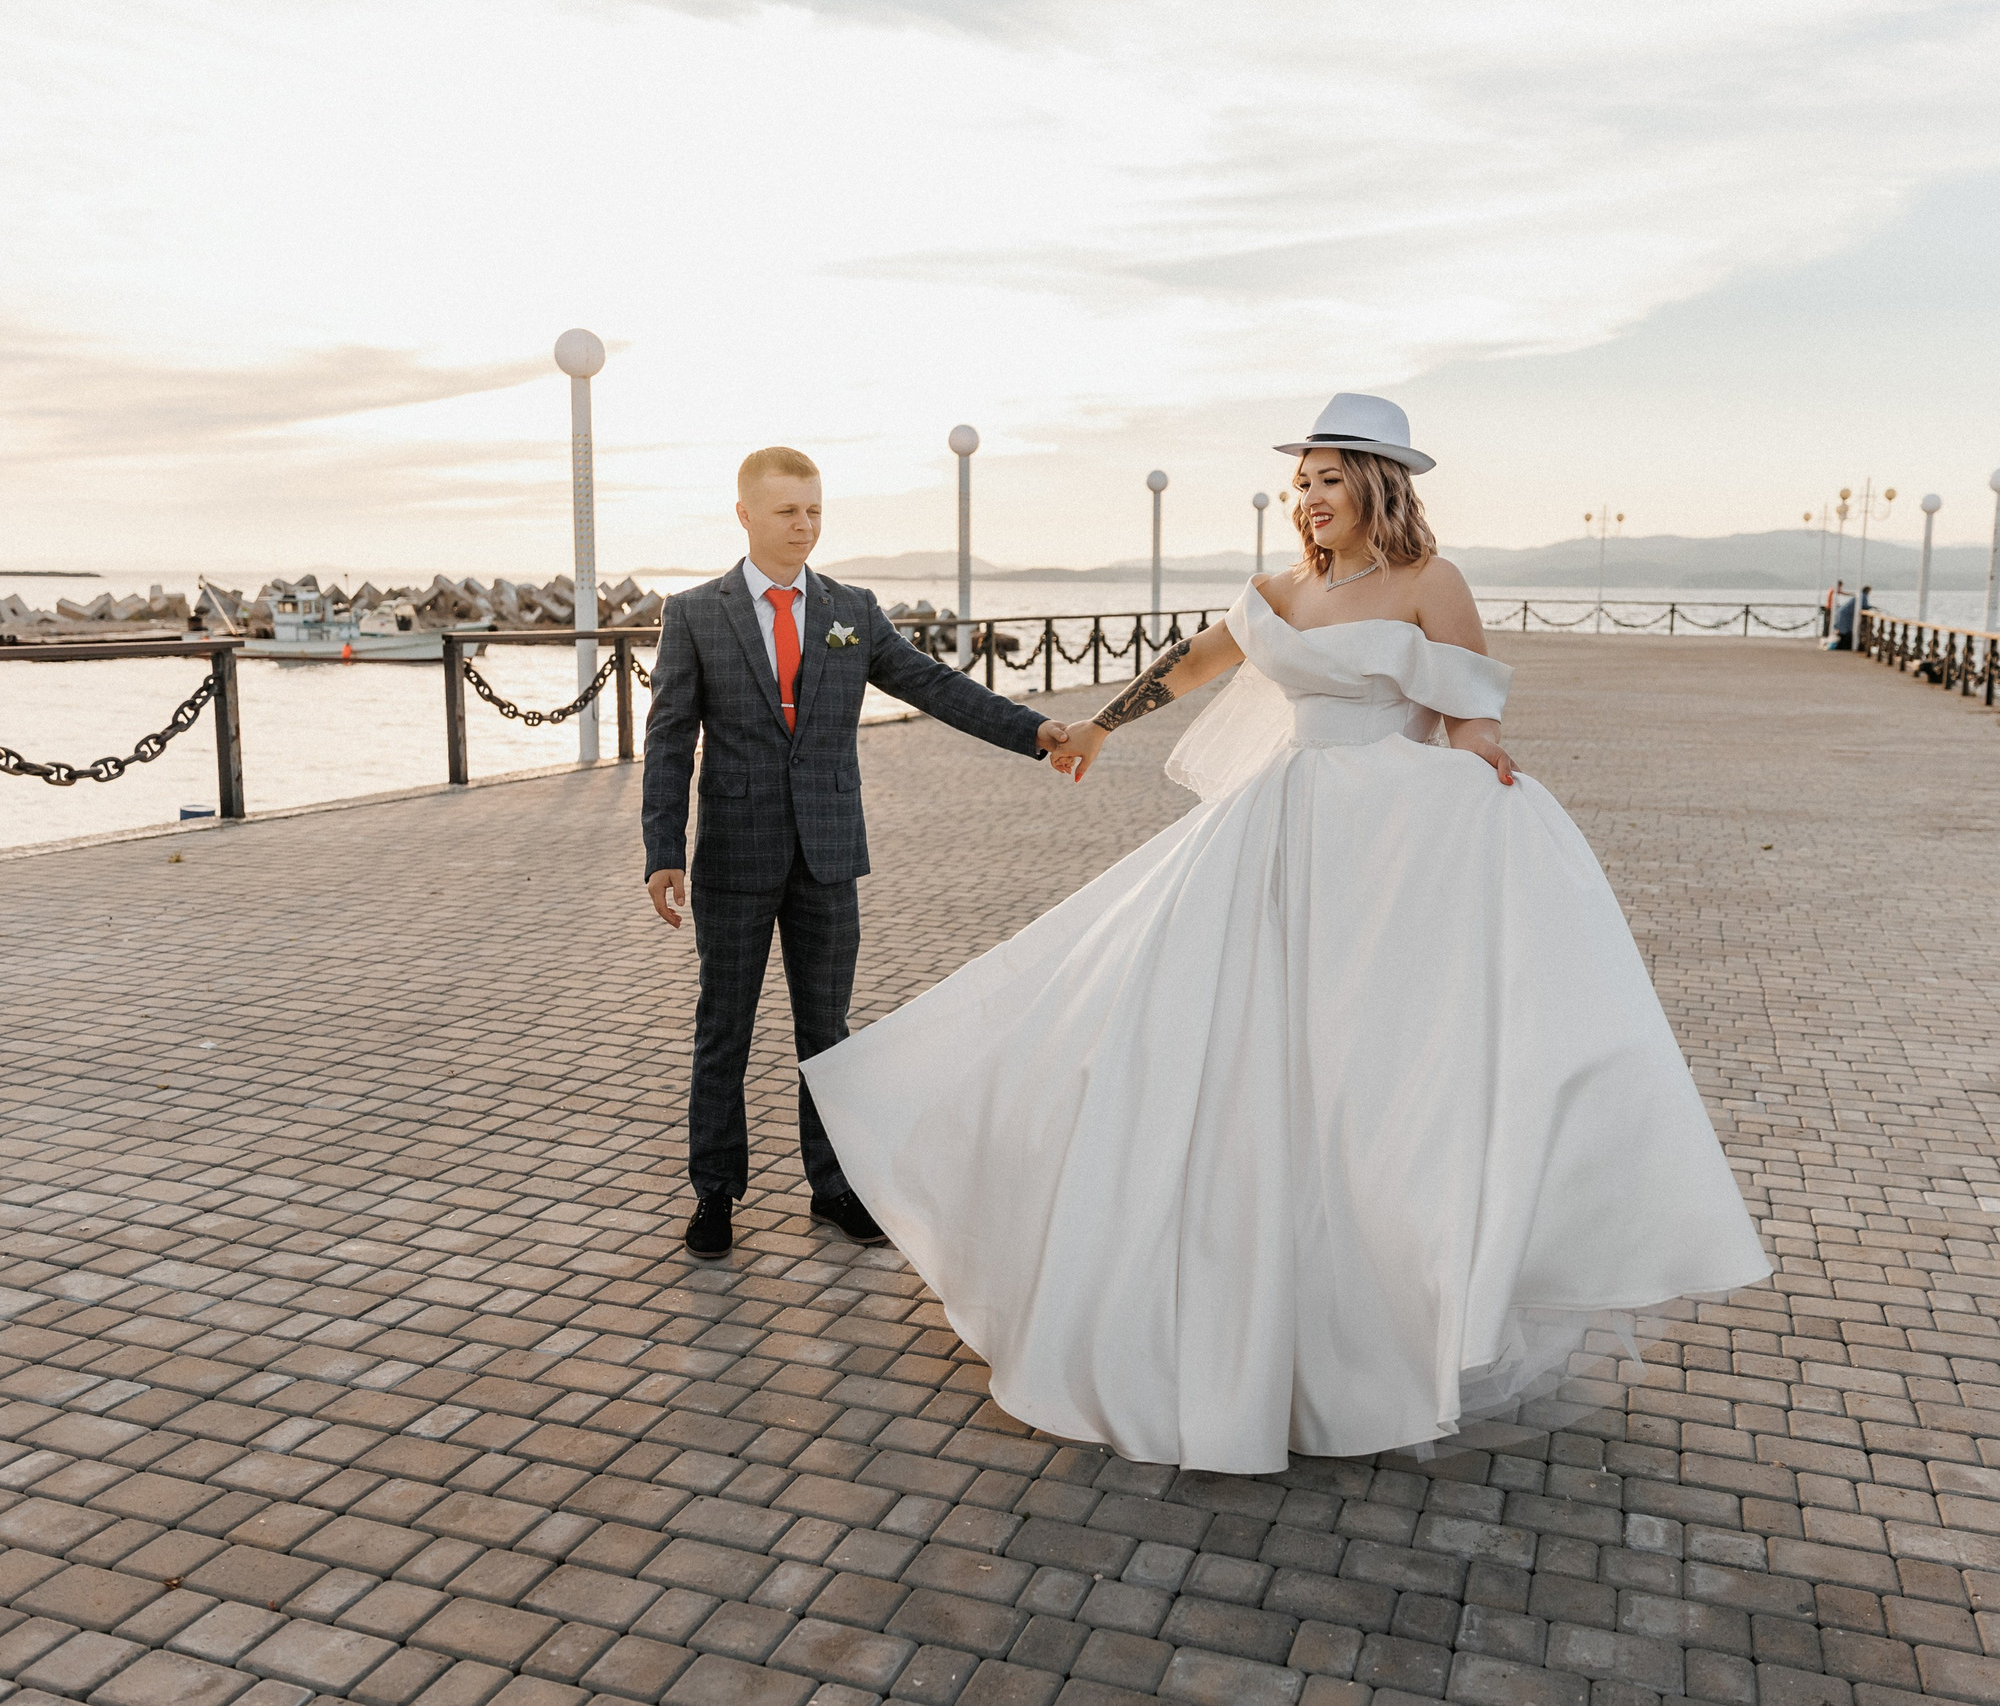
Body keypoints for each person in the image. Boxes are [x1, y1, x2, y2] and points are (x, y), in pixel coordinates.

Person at [801, 395, 1771, 1473]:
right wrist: (1094, 726)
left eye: (1326, 478)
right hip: (1275, 832)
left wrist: (1483, 761)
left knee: (1366, 1073)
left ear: (1376, 485)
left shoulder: (1428, 583)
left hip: (1391, 843)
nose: (1307, 498)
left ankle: (1375, 1313)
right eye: (1297, 481)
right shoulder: (1275, 590)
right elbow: (1191, 664)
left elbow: (1467, 709)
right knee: (1185, 1035)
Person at [641, 447, 1072, 1261]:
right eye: (785, 512)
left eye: (813, 511)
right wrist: (664, 849)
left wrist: (1035, 733)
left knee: (829, 1034)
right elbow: (668, 739)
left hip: (829, 854)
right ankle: (715, 1195)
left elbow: (935, 685)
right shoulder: (695, 613)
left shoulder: (851, 609)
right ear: (744, 515)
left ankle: (833, 1187)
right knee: (722, 1031)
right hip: (734, 856)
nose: (803, 526)